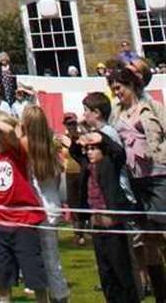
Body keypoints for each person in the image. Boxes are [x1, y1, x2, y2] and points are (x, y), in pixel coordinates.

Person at [68, 108, 140, 303]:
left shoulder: (110, 162)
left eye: (94, 149)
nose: (90, 152)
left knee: (122, 274)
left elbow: (118, 151)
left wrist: (100, 137)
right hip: (97, 229)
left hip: (114, 227)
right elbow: (74, 150)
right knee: (106, 276)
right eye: (88, 149)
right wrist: (78, 136)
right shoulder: (86, 165)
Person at [110, 61, 166, 303]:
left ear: (131, 85)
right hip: (136, 180)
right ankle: (161, 292)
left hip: (158, 176)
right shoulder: (117, 114)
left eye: (119, 87)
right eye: (113, 88)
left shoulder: (151, 106)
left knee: (164, 234)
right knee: (148, 237)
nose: (116, 92)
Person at [0, 113, 49, 303]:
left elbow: (10, 132)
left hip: (24, 224)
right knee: (3, 280)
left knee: (36, 279)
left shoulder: (17, 151)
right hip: (1, 223)